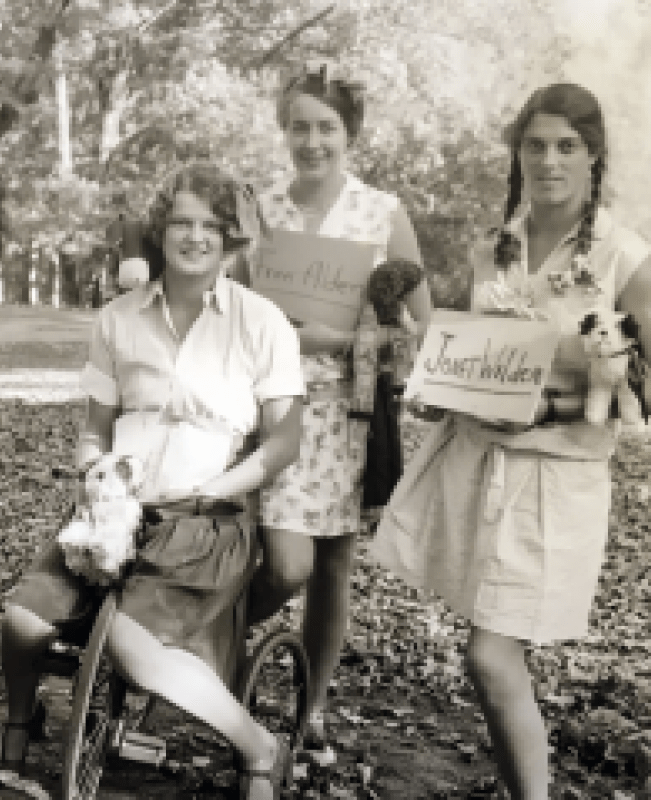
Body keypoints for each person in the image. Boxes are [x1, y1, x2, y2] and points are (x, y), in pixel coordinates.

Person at [369, 83, 651, 800]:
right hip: (476, 466)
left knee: (490, 657)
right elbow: (473, 357)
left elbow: (642, 386)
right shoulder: (494, 250)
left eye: (566, 146)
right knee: (486, 657)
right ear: (518, 154)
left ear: (593, 156)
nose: (548, 160)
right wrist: (429, 376)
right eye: (534, 145)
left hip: (553, 485)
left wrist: (548, 408)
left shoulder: (626, 258)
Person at [0, 163, 306, 800]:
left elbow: (284, 441)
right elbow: (95, 428)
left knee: (131, 649)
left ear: (230, 238)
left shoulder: (261, 322)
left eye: (209, 227)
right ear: (159, 232)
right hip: (115, 513)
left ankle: (257, 744)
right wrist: (94, 471)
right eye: (180, 223)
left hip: (205, 521)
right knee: (22, 622)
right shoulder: (119, 319)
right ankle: (20, 722)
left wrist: (225, 486)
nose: (194, 237)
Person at [239, 62, 433, 765]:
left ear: (350, 132)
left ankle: (310, 707)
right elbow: (232, 307)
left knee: (331, 570)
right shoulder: (262, 209)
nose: (312, 140)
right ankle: (214, 649)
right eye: (299, 126)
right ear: (282, 128)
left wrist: (367, 344)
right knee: (282, 564)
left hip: (352, 413)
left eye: (326, 127)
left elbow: (421, 324)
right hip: (275, 408)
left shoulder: (383, 213)